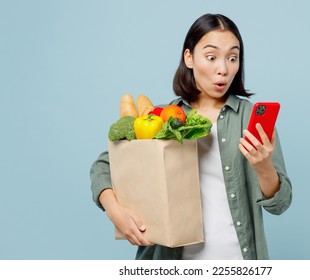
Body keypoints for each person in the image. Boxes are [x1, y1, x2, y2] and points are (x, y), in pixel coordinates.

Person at [90, 13, 292, 260]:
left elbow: (281, 203)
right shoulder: (163, 118)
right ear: (189, 58)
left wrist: (264, 168)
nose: (223, 69)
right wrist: (115, 212)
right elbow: (103, 166)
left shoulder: (250, 118)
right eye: (211, 57)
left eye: (232, 57)